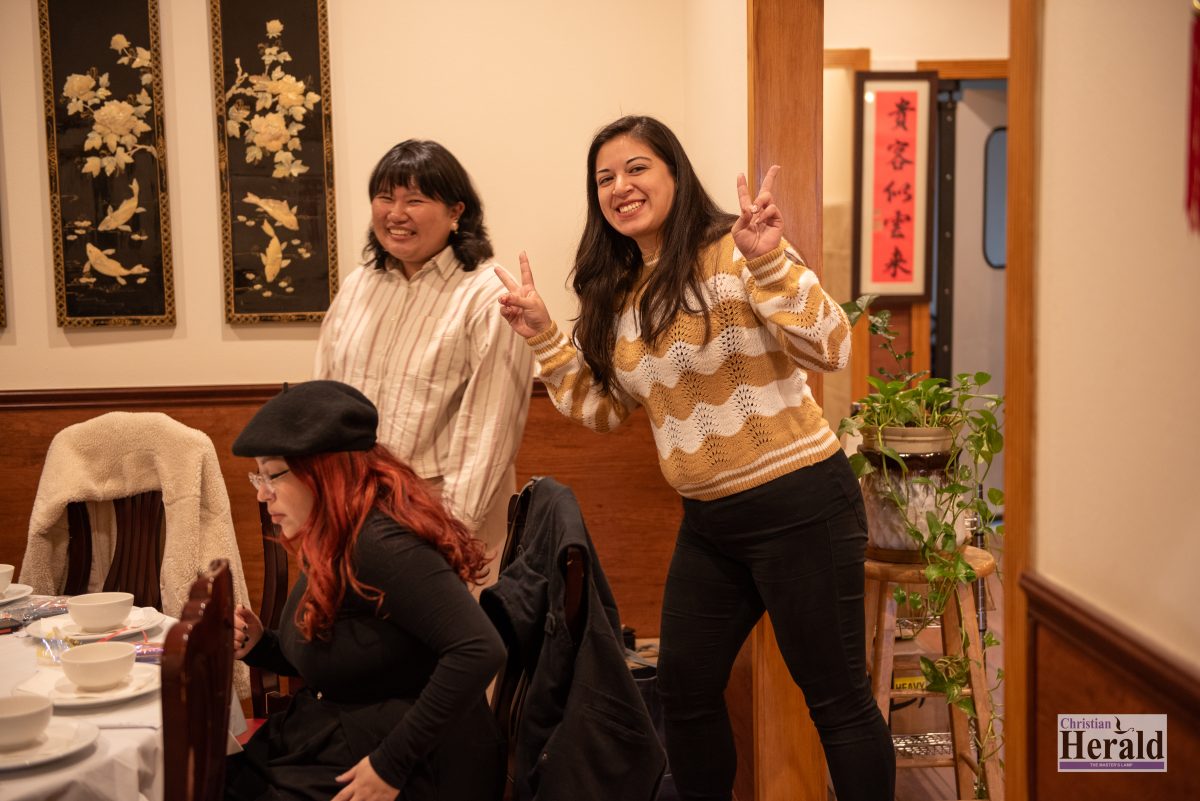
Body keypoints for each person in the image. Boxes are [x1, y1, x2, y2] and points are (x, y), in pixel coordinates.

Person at [495, 116, 895, 801]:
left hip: (801, 504)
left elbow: (831, 348)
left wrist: (771, 262)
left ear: (674, 173)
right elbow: (604, 410)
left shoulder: (738, 251)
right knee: (684, 690)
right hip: (709, 523)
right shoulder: (619, 290)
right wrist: (543, 336)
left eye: (637, 168)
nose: (620, 187)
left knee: (837, 700)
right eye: (604, 178)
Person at [225, 380, 504, 801]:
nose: (263, 494)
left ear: (323, 472)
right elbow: (342, 655)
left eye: (272, 475)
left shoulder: (379, 543)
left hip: (418, 761)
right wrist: (261, 645)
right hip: (355, 729)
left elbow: (480, 649)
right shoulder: (333, 534)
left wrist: (391, 764)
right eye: (257, 477)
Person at [315, 140, 533, 584]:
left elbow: (488, 430)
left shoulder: (488, 293)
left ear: (456, 212)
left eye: (415, 200)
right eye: (385, 197)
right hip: (352, 512)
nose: (396, 214)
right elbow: (324, 397)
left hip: (442, 519)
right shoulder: (358, 286)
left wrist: (449, 536)